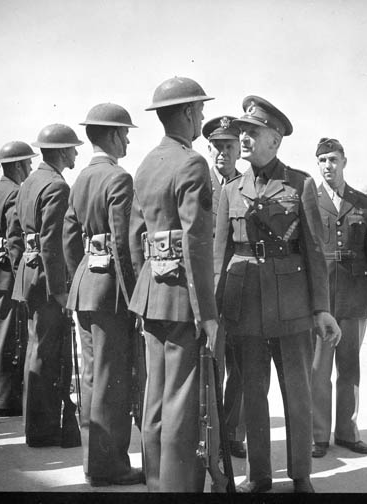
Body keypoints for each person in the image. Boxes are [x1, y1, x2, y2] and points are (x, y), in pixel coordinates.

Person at [214, 95, 341, 493]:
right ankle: (260, 475)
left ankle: (301, 474)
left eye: (253, 132)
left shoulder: (301, 184)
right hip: (245, 303)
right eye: (243, 132)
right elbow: (220, 254)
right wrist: (215, 312)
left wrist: (321, 308)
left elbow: (315, 251)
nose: (244, 138)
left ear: (276, 139)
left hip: (291, 305)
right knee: (253, 393)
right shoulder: (231, 189)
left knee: (296, 394)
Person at [128, 77, 218, 492]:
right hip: (183, 298)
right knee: (182, 399)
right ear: (186, 113)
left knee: (157, 395)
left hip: (150, 296)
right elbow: (196, 243)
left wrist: (141, 292)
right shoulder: (192, 162)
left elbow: (132, 240)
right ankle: (179, 487)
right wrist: (208, 315)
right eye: (199, 109)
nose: (201, 115)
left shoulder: (146, 163)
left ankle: (156, 481)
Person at [63, 103, 143, 486]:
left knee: (93, 378)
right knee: (113, 381)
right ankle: (110, 466)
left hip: (85, 289)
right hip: (112, 292)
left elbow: (67, 238)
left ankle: (93, 462)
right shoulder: (118, 178)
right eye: (125, 133)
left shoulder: (80, 178)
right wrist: (134, 296)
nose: (127, 139)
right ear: (112, 135)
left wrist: (82, 274)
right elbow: (124, 245)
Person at [11, 123, 82, 447]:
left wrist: (23, 271)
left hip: (30, 278)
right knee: (47, 354)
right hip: (48, 284)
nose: (76, 152)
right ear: (62, 151)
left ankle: (39, 426)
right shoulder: (56, 186)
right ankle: (43, 429)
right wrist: (61, 291)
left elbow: (16, 235)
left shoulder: (28, 183)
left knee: (37, 350)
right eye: (72, 148)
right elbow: (54, 245)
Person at [311, 138, 367, 459]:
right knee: (318, 370)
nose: (328, 166)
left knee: (350, 368)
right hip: (321, 299)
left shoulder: (364, 205)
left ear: (344, 161)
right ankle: (318, 436)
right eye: (323, 160)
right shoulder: (309, 200)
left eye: (333, 159)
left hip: (355, 298)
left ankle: (347, 433)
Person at [202, 115, 246, 459]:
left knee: (242, 367)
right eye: (217, 146)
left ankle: (233, 433)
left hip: (241, 289)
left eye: (228, 146)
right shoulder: (200, 183)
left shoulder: (248, 186)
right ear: (208, 148)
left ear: (238, 150)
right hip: (209, 290)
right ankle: (212, 435)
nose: (222, 152)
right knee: (211, 366)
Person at [0, 142, 36, 416]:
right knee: (8, 337)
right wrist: (20, 279)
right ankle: (5, 401)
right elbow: (16, 241)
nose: (29, 168)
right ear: (16, 165)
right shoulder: (14, 193)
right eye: (27, 163)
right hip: (7, 275)